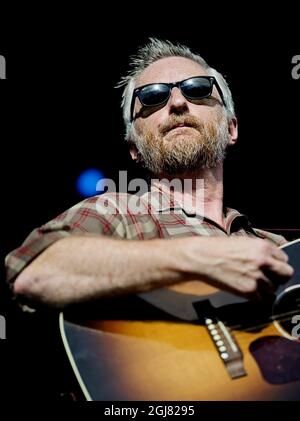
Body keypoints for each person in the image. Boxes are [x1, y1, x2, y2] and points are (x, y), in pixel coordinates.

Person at [5, 38, 294, 309]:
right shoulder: (116, 211)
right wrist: (199, 258)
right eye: (153, 96)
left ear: (232, 128)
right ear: (134, 148)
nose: (178, 103)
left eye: (198, 89)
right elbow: (34, 273)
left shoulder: (278, 248)